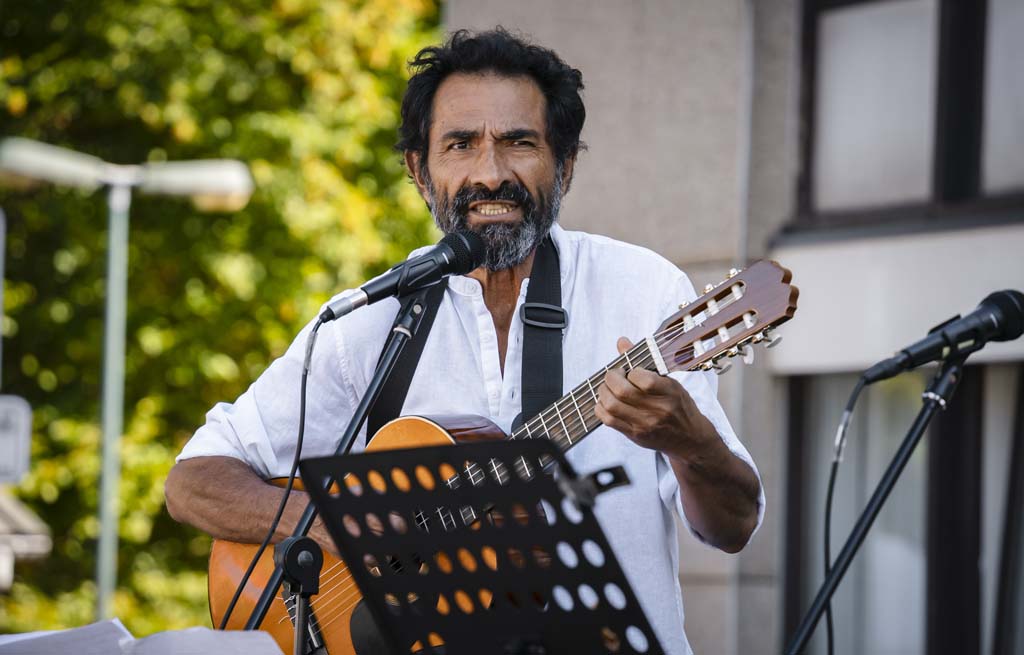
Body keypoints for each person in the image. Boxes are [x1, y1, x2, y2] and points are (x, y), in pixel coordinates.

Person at [165, 28, 762, 655]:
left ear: (565, 165)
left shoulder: (643, 291)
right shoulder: (369, 321)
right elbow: (194, 481)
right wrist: (334, 528)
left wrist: (690, 441)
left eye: (519, 142)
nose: (490, 173)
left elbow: (734, 527)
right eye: (460, 144)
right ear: (419, 171)